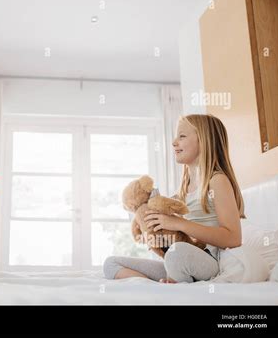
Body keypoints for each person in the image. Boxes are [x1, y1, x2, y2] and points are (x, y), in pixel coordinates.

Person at [103, 114, 244, 283]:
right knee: (111, 264)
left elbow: (233, 238)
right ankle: (165, 290)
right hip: (179, 258)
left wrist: (178, 223)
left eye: (182, 136)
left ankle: (172, 285)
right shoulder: (183, 189)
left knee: (176, 252)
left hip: (209, 260)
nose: (174, 142)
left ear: (204, 140)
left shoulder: (217, 180)